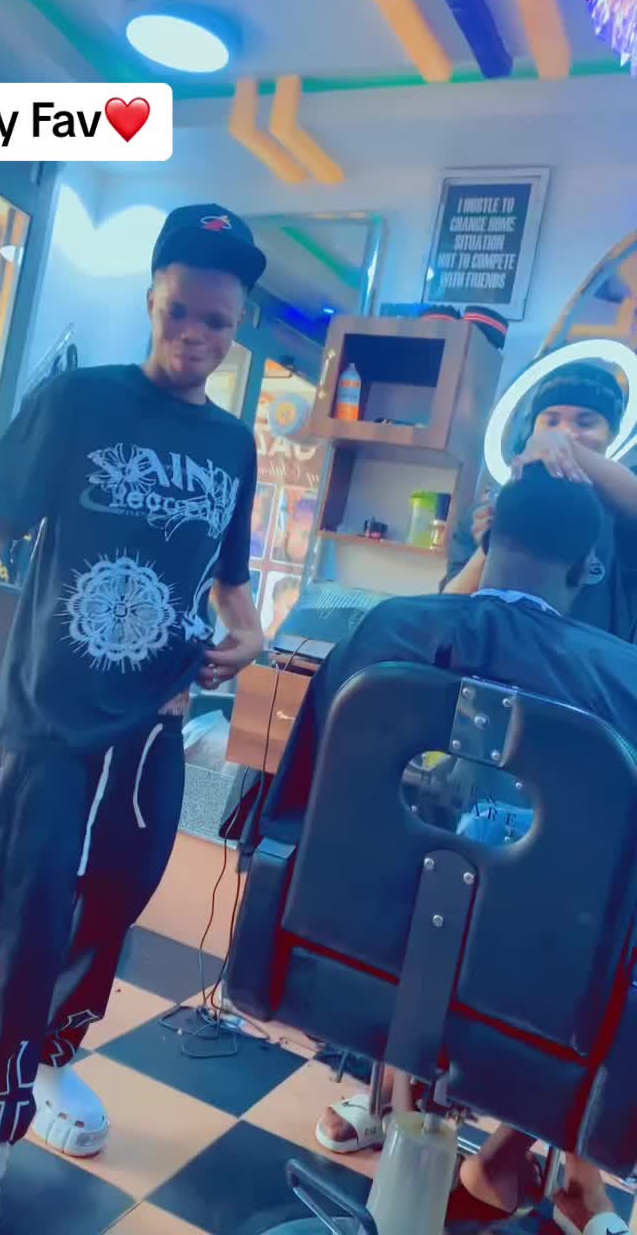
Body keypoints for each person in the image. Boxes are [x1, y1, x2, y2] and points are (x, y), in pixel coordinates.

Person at [0, 204, 266, 1234]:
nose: (195, 334)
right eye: (180, 309)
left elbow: (231, 579)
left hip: (157, 721)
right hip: (55, 715)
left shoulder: (233, 442)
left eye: (217, 321)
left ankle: (50, 1053)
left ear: (237, 327)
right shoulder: (79, 399)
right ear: (152, 296)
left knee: (114, 901)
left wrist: (249, 631)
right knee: (24, 911)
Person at [261, 466, 637, 1234]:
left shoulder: (387, 630)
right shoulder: (623, 682)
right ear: (591, 568)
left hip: (352, 955)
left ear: (488, 537)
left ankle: (410, 1131)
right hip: (535, 1001)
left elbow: (292, 809)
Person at [442, 359, 637, 642]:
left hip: (589, 669)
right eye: (551, 421)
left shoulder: (621, 519)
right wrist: (493, 545)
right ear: (532, 429)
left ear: (613, 434)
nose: (565, 432)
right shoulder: (487, 514)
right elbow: (445, 614)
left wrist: (565, 447)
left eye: (585, 422)